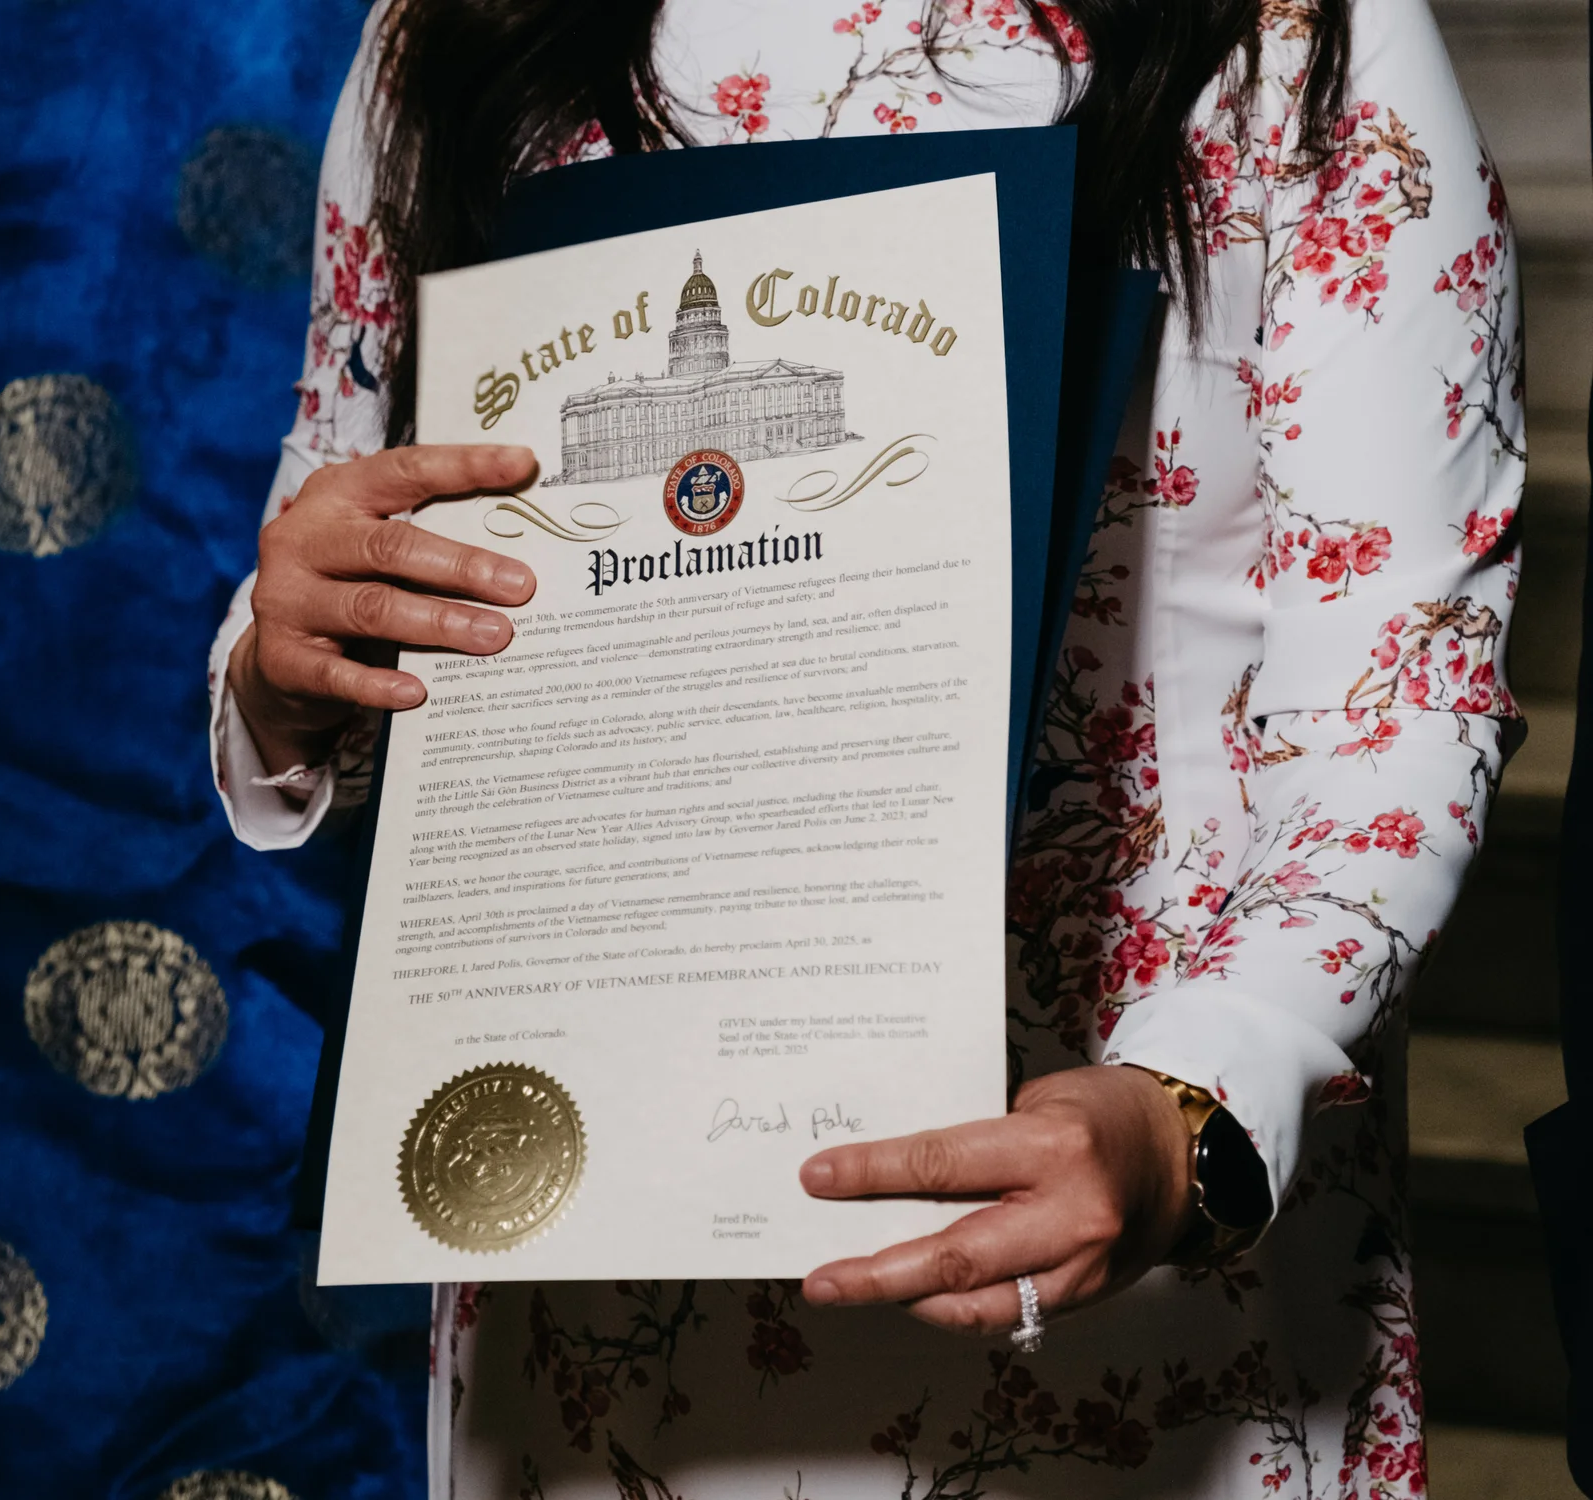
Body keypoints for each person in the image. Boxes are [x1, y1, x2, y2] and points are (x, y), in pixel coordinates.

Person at [208, 0, 1525, 1494]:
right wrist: (282, 657)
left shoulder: (1292, 31)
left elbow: (1404, 687)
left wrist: (1195, 1107)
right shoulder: (453, 32)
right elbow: (341, 538)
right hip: (598, 1296)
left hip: (1125, 1258)